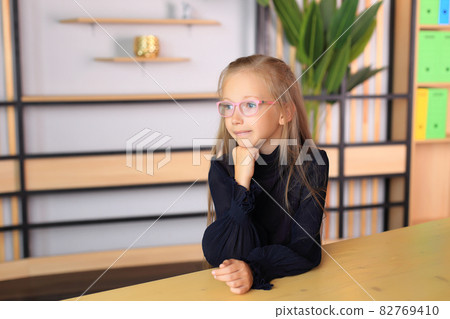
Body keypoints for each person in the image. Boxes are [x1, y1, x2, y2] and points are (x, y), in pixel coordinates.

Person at [202, 54, 329, 295]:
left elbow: (307, 250)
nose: (235, 119)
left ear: (285, 112)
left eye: (249, 105)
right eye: (228, 106)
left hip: (297, 290)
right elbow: (225, 252)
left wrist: (254, 268)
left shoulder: (312, 163)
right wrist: (242, 182)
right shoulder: (222, 168)